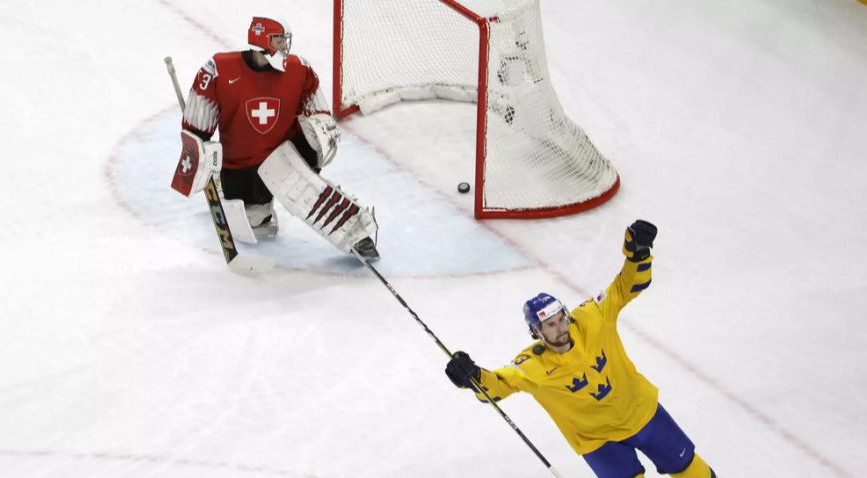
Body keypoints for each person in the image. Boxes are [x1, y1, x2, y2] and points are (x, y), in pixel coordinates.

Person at [445, 220, 716, 478]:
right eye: (550, 325)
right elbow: (499, 386)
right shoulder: (532, 366)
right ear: (536, 333)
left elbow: (626, 287)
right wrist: (472, 376)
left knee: (692, 471)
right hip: (597, 440)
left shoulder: (591, 317)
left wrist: (638, 255)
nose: (560, 327)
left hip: (642, 412)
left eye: (561, 318)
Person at [171, 16, 379, 260]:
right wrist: (201, 153)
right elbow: (196, 128)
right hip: (240, 163)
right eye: (278, 40)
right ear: (261, 40)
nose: (284, 46)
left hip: (284, 152)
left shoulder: (299, 69)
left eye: (284, 40)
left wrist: (320, 131)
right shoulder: (218, 69)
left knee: (302, 179)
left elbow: (318, 110)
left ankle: (353, 231)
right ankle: (223, 182)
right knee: (257, 223)